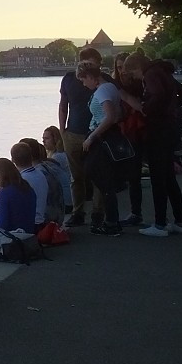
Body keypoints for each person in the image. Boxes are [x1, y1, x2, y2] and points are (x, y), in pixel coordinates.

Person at [123, 54, 182, 237]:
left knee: (158, 178)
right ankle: (180, 221)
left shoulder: (151, 74)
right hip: (170, 129)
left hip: (158, 130)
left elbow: (158, 95)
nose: (136, 78)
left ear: (138, 67)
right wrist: (171, 108)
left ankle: (160, 224)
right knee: (168, 178)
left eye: (134, 73)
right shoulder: (164, 73)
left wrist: (146, 108)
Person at [77, 60, 125, 236]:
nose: (83, 84)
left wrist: (92, 136)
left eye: (83, 80)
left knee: (100, 178)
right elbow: (118, 114)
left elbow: (110, 116)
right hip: (107, 135)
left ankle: (111, 223)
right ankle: (112, 220)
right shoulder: (110, 88)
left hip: (101, 137)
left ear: (91, 77)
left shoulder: (103, 90)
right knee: (103, 179)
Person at [58, 47, 105, 227]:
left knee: (97, 174)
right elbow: (63, 105)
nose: (96, 67)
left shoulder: (102, 79)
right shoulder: (69, 79)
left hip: (96, 133)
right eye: (94, 63)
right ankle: (78, 212)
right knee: (75, 176)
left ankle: (97, 212)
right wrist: (63, 131)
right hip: (73, 133)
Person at [113, 52, 148, 227]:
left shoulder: (139, 85)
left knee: (134, 175)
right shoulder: (114, 86)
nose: (122, 72)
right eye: (119, 68)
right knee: (125, 175)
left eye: (125, 68)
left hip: (137, 133)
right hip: (121, 132)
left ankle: (136, 212)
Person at [0, 158, 37, 232]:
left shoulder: (4, 194)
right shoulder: (28, 188)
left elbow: (2, 226)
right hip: (29, 232)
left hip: (13, 235)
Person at [11, 141, 50, 229]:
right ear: (31, 157)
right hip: (41, 220)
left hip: (30, 224)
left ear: (13, 160)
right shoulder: (40, 174)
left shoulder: (22, 180)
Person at [41, 125, 73, 214]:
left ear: (55, 139)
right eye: (43, 138)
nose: (43, 141)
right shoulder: (52, 154)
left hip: (66, 202)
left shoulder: (58, 157)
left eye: (47, 138)